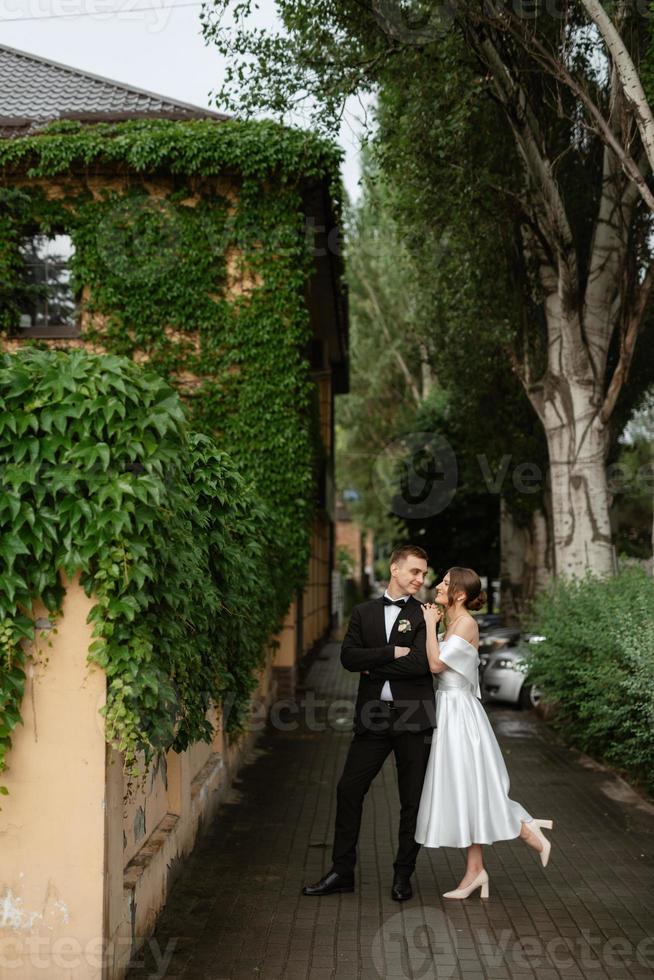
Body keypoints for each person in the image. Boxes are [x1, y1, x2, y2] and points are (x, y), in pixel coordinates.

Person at [302, 544, 435, 902]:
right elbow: (347, 658)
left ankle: (402, 876)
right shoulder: (363, 612)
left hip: (414, 719)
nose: (420, 579)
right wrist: (392, 653)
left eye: (424, 573)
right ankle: (342, 872)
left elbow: (422, 664)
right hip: (373, 717)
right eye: (415, 572)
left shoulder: (426, 614)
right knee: (348, 790)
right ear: (394, 568)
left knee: (412, 801)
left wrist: (372, 664)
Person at [415, 566, 554, 900]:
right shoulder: (454, 622)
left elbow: (435, 666)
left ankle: (523, 827)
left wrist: (430, 626)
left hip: (461, 715)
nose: (438, 585)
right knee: (465, 790)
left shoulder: (465, 624)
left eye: (445, 583)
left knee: (472, 787)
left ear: (460, 594)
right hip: (450, 710)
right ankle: (476, 872)